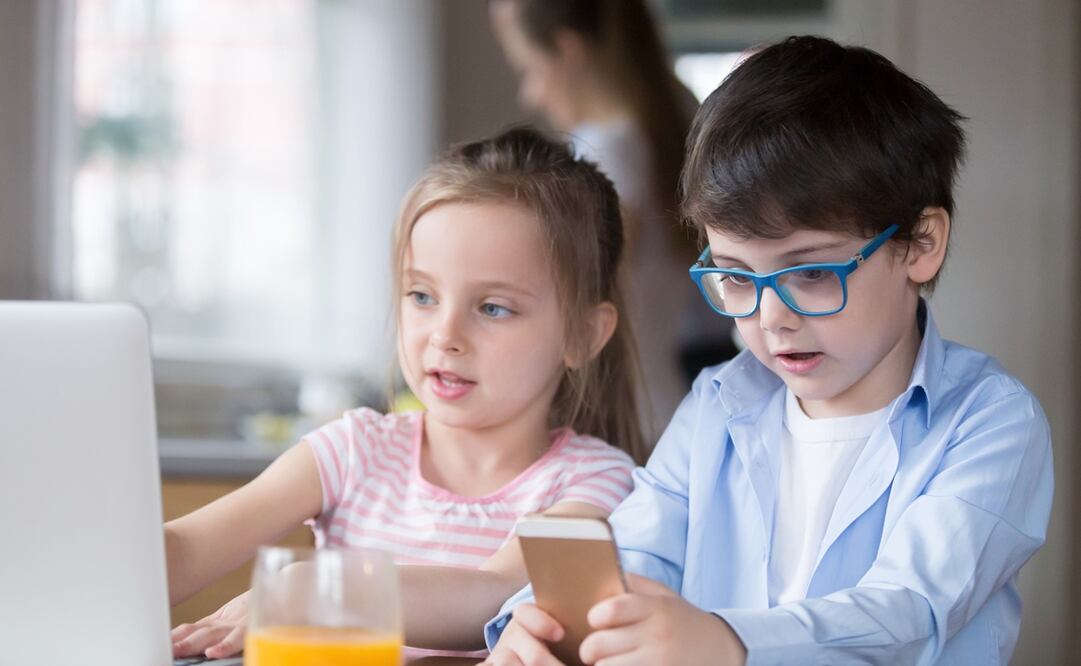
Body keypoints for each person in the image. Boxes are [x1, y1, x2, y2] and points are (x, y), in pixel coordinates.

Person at [483, 36, 1054, 665]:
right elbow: (634, 554)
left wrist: (728, 643)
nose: (771, 318)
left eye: (811, 273)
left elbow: (909, 613)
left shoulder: (989, 423)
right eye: (735, 275)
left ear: (921, 243)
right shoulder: (717, 406)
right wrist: (536, 623)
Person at [166, 126, 647, 659]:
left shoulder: (596, 482)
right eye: (422, 296)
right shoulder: (354, 450)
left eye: (493, 308)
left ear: (583, 335)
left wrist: (317, 590)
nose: (445, 335)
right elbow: (186, 550)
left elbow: (494, 596)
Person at [490, 0, 738, 444]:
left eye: (531, 69)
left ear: (568, 50)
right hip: (663, 408)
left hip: (620, 422)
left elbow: (578, 298)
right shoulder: (673, 122)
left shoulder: (606, 157)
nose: (531, 95)